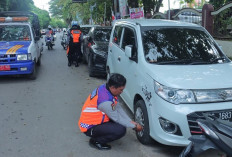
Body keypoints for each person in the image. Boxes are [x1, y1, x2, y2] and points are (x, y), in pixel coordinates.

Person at [78, 73, 143, 150]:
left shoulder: (105, 88)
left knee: (119, 122)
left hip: (96, 120)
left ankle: (101, 133)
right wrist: (135, 126)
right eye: (121, 89)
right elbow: (117, 118)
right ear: (113, 87)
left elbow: (118, 107)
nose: (122, 91)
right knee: (120, 130)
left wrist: (130, 121)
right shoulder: (105, 102)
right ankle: (96, 141)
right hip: (89, 126)